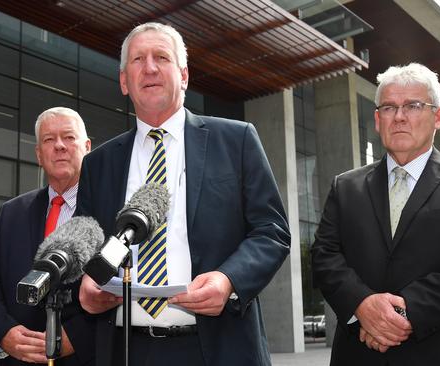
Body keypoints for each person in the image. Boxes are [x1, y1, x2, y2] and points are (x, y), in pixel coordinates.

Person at [76, 22, 290, 366]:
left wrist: (228, 279)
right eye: (138, 60)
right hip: (125, 350)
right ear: (123, 82)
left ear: (184, 75)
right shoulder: (99, 163)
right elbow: (85, 244)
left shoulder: (237, 140)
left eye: (162, 57)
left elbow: (272, 231)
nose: (149, 67)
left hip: (218, 349)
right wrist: (85, 283)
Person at [312, 62, 440, 365]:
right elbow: (325, 256)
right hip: (359, 353)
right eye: (389, 108)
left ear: (439, 116)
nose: (400, 117)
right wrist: (362, 305)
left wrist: (405, 312)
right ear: (377, 120)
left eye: (413, 105)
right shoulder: (345, 186)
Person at [0, 107, 93, 365]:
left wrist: (77, 337)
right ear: (39, 155)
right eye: (49, 140)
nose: (60, 146)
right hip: (18, 358)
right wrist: (4, 332)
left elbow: (119, 289)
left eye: (69, 137)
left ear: (87, 147)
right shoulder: (12, 212)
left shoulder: (107, 211)